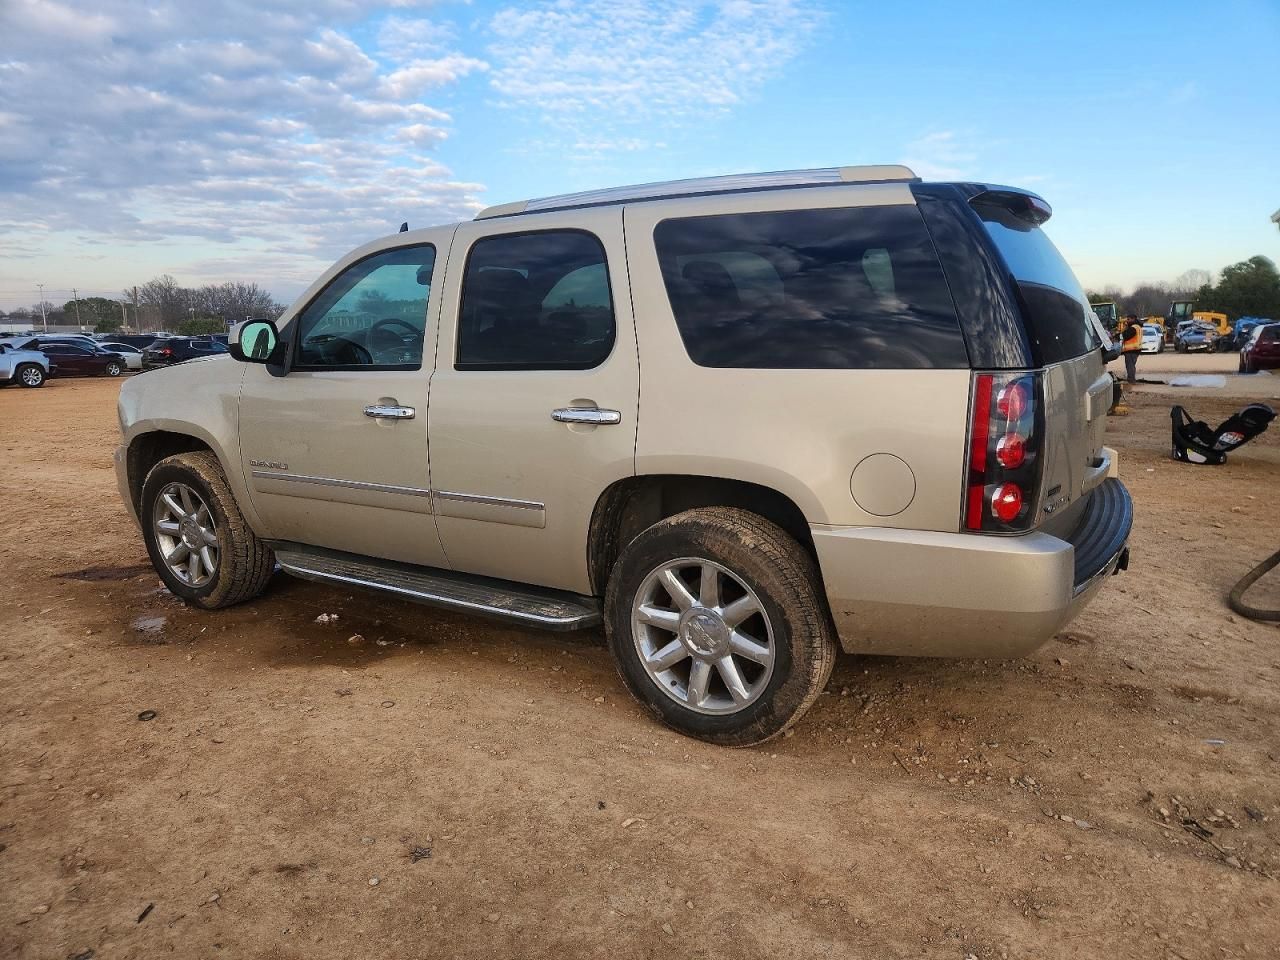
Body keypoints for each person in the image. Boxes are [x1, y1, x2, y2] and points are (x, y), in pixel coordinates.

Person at [1121, 314, 1143, 384]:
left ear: (1133, 319)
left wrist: (1124, 328)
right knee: (1132, 365)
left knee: (1130, 366)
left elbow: (1125, 335)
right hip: (1136, 349)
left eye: (1128, 319)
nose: (1127, 321)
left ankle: (1131, 380)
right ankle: (1131, 379)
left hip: (1131, 349)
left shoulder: (1133, 328)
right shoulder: (1138, 327)